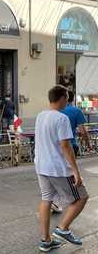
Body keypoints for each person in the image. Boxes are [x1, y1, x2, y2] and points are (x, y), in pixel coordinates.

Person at [34, 85, 89, 252]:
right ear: (63, 98)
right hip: (57, 167)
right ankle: (63, 228)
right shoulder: (61, 118)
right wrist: (76, 172)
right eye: (67, 98)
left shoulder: (40, 116)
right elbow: (66, 146)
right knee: (82, 197)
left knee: (46, 199)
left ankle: (46, 240)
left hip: (41, 165)